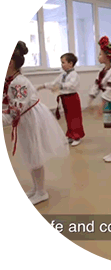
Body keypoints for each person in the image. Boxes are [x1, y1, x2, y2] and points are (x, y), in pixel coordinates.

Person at [2, 41, 69, 205]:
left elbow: (15, 110)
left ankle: (41, 191)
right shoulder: (11, 80)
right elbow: (8, 106)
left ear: (10, 63)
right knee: (29, 153)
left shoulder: (19, 83)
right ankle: (36, 188)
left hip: (30, 119)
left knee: (34, 153)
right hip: (25, 119)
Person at [37, 53, 85, 146]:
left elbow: (71, 85)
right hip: (65, 98)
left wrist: (59, 86)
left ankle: (77, 136)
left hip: (72, 98)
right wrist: (43, 86)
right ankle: (71, 135)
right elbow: (55, 83)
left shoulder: (74, 75)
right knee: (68, 118)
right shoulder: (63, 75)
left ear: (70, 64)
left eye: (63, 62)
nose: (62, 65)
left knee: (74, 118)